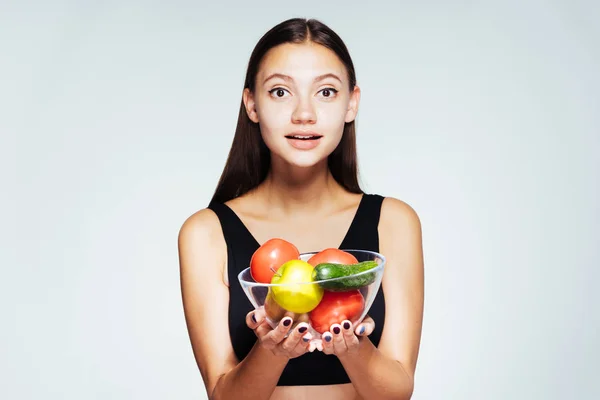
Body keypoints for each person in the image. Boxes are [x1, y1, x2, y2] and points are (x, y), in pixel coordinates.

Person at [178, 17, 424, 400]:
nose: (304, 114)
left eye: (326, 92)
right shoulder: (205, 233)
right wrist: (272, 351)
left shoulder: (393, 222)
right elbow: (222, 394)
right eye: (280, 92)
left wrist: (353, 347)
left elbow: (396, 392)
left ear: (351, 103)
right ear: (252, 104)